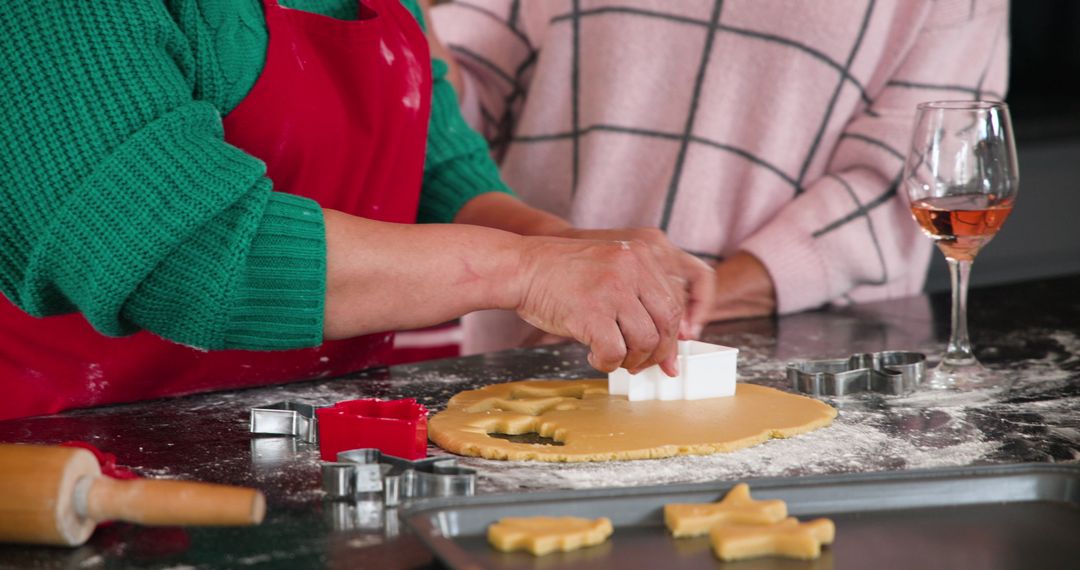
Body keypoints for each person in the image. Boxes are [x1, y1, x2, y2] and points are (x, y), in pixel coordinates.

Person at [0, 0, 714, 421]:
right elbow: (179, 251)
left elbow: (441, 171)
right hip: (70, 456)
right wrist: (526, 271)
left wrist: (572, 250)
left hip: (326, 443)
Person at [431, 0, 1010, 354]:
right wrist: (412, 43)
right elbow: (447, 119)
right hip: (542, 350)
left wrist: (658, 302)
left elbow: (898, 178)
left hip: (798, 355)